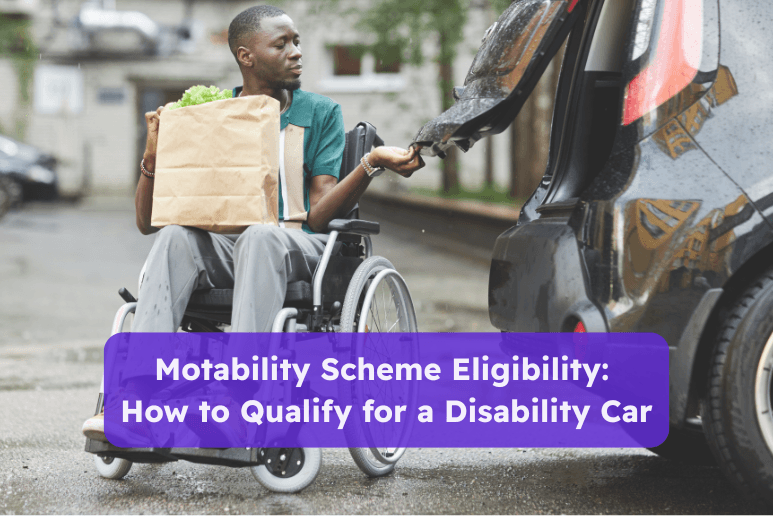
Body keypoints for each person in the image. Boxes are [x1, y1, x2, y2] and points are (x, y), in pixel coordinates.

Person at [82, 4, 424, 442]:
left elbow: (319, 213)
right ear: (246, 56)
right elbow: (149, 223)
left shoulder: (319, 113)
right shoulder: (215, 113)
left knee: (262, 236)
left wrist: (370, 163)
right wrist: (152, 155)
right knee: (175, 238)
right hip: (235, 247)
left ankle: (235, 396)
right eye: (281, 44)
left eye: (296, 41)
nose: (297, 51)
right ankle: (137, 400)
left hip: (304, 248)